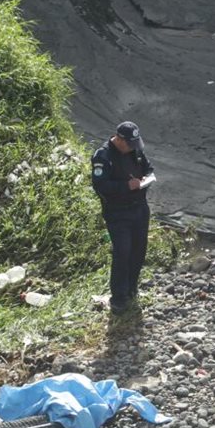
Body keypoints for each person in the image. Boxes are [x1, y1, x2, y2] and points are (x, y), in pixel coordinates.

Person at [91, 121, 154, 314]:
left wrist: (147, 178)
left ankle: (131, 289)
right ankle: (118, 297)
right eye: (129, 144)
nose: (133, 148)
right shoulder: (103, 156)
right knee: (122, 252)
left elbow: (148, 168)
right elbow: (100, 186)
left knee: (138, 249)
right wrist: (127, 186)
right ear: (118, 139)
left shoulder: (135, 150)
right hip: (118, 212)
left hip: (139, 208)